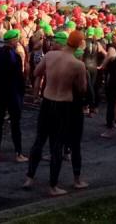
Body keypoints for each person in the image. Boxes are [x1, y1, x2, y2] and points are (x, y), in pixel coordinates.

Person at [23, 30, 88, 196]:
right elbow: (82, 89)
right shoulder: (78, 65)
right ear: (80, 44)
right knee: (56, 146)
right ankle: (53, 186)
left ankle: (29, 178)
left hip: (47, 101)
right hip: (63, 105)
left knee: (39, 140)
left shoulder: (50, 55)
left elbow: (37, 72)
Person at [0, 29, 28, 163]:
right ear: (12, 41)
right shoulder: (15, 56)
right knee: (15, 124)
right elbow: (19, 77)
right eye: (16, 40)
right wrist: (22, 92)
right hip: (12, 93)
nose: (17, 42)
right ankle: (18, 153)